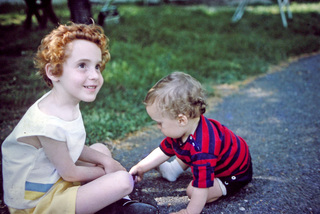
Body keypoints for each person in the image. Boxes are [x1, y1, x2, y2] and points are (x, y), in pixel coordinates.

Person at [2, 22, 157, 214]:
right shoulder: (46, 122)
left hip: (56, 180)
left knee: (101, 150)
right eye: (82, 65)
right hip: (38, 204)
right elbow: (70, 173)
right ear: (53, 72)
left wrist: (107, 162)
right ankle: (117, 204)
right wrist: (107, 171)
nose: (94, 75)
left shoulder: (65, 102)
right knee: (122, 180)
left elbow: (68, 146)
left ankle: (115, 203)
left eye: (97, 66)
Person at [129, 72, 253, 214]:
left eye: (159, 123)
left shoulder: (203, 150)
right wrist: (141, 167)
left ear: (181, 120)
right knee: (185, 147)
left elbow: (202, 186)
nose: (158, 127)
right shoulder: (185, 129)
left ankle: (221, 187)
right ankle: (173, 170)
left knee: (192, 191)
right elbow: (163, 150)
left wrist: (189, 211)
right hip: (218, 156)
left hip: (235, 173)